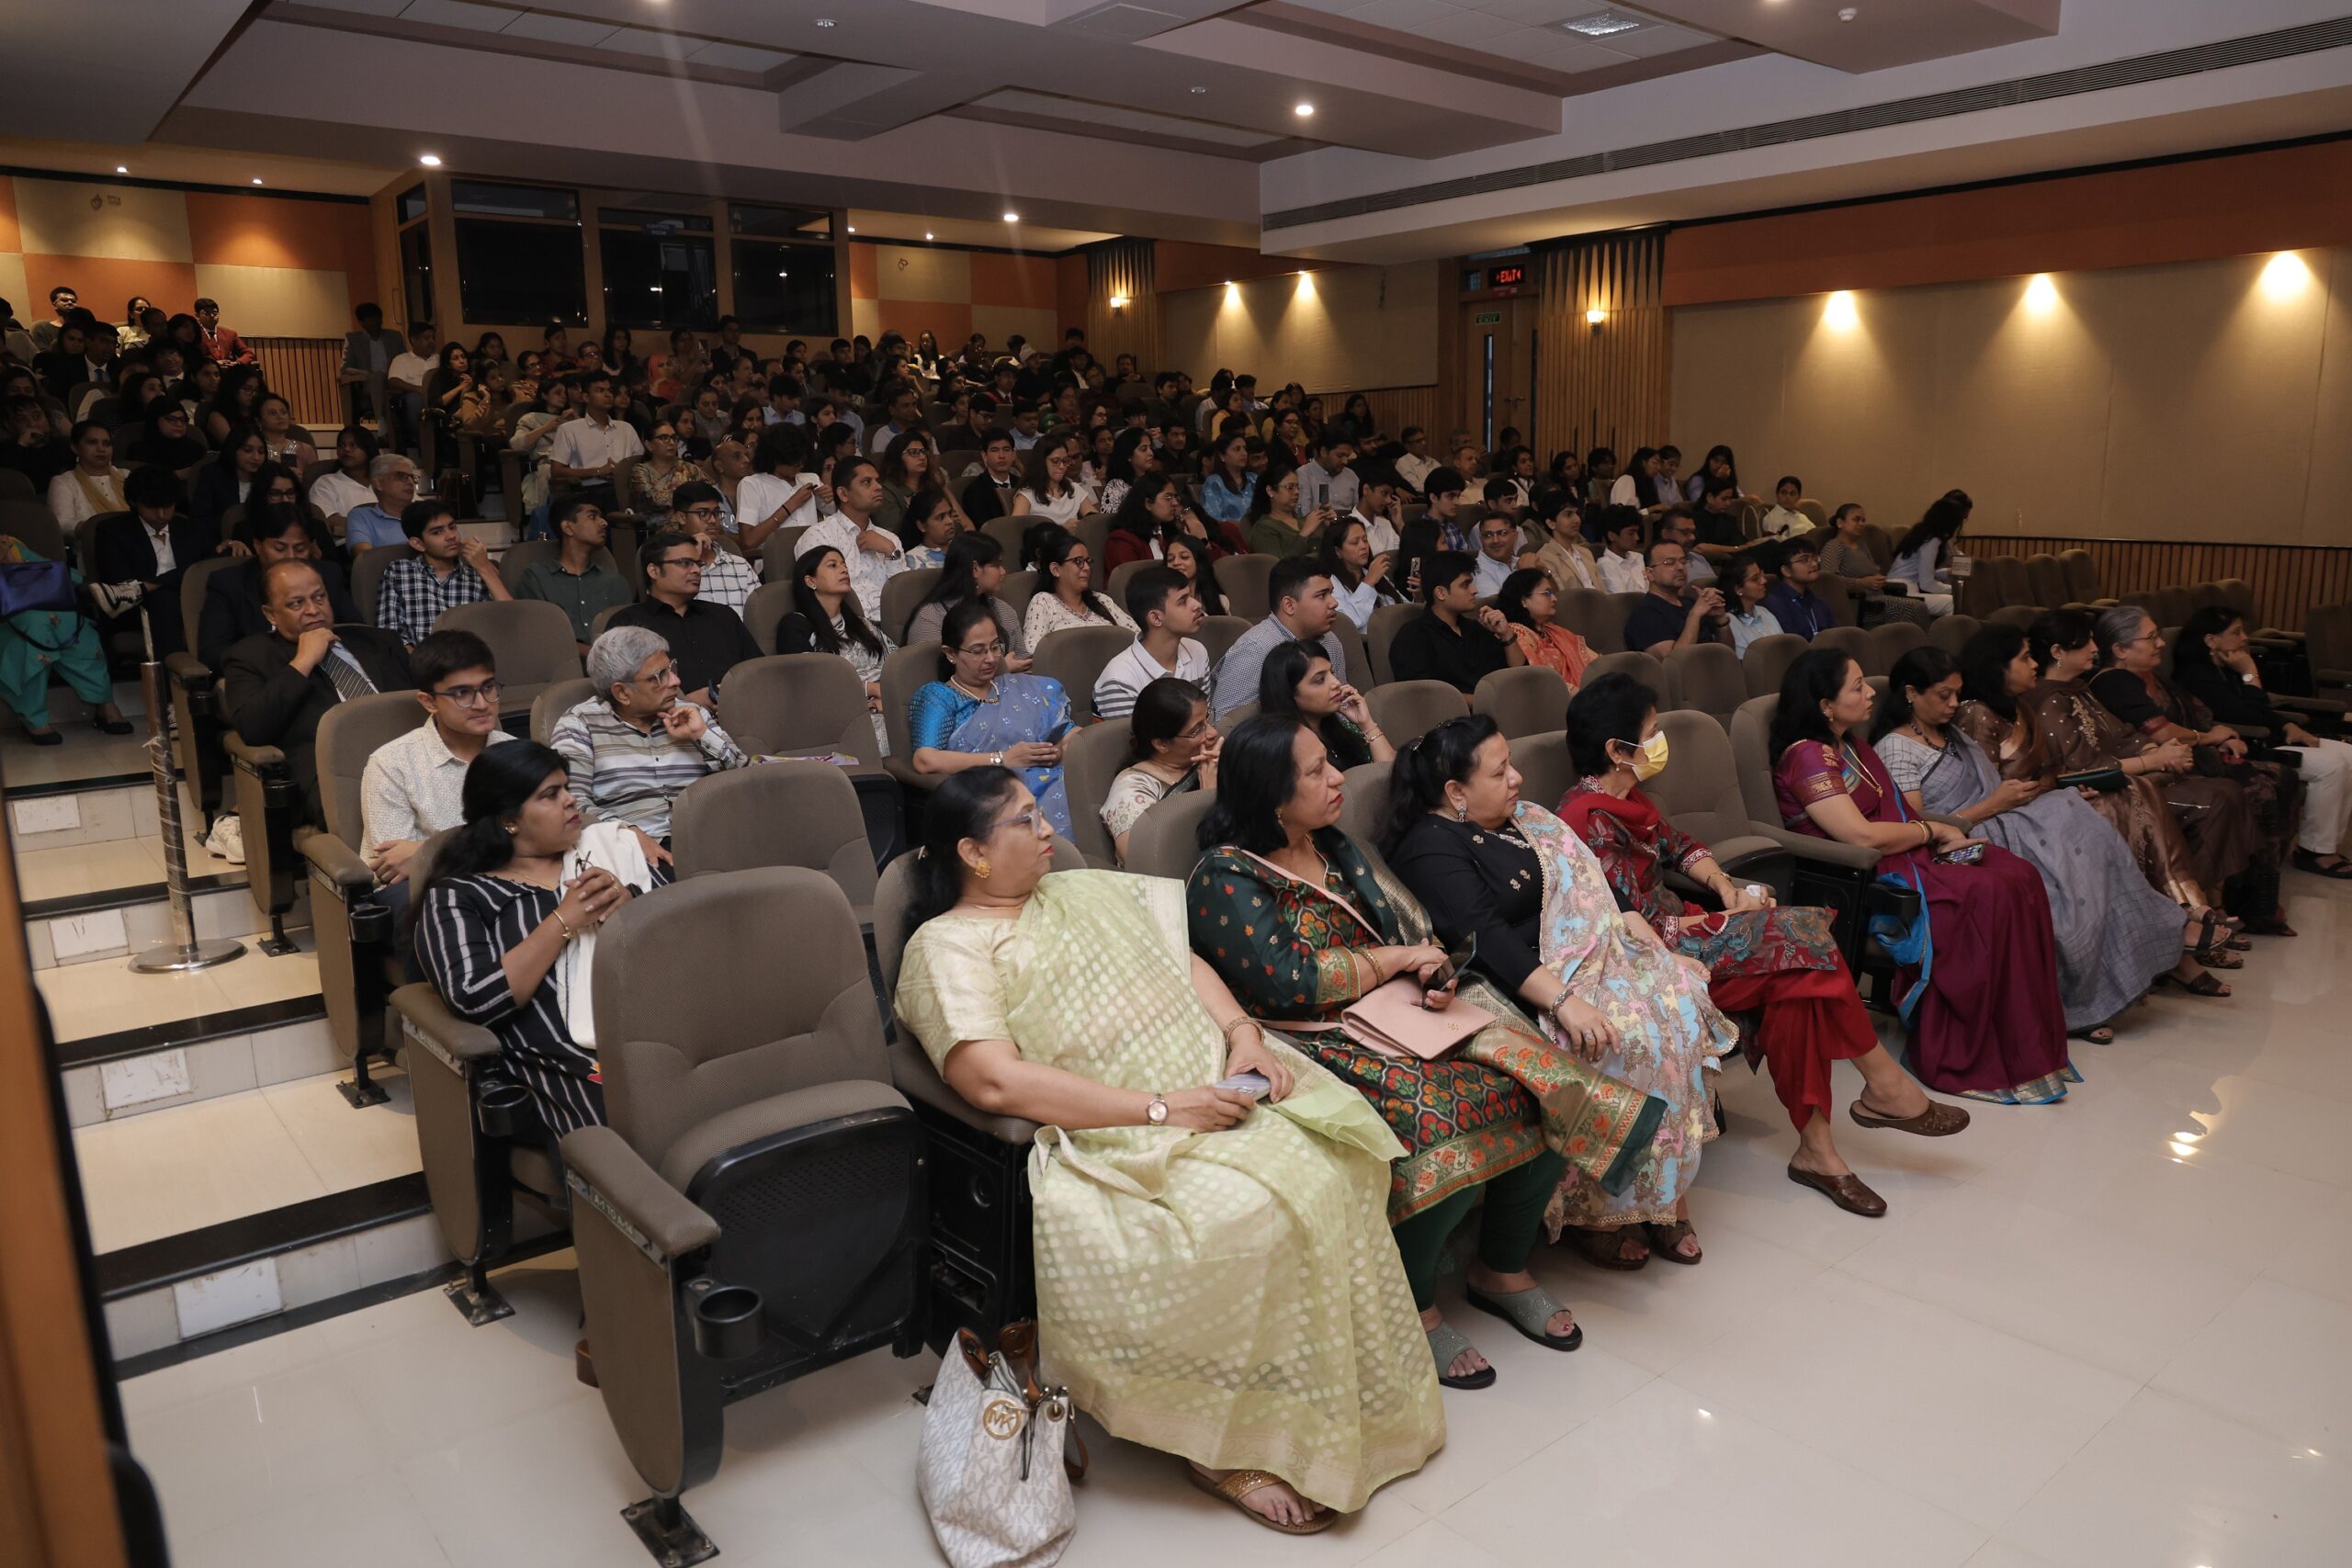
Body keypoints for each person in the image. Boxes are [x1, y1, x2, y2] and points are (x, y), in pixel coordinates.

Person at [895, 768, 1439, 1532]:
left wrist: (1244, 1036)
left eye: (1040, 813)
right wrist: (1162, 1109)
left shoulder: (1082, 890)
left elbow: (1182, 960)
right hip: (1115, 1133)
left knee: (1338, 1162)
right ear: (973, 852)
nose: (1049, 829)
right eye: (1025, 820)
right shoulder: (947, 944)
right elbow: (991, 1079)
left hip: (1209, 1090)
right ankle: (1219, 1441)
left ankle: (1320, 1399)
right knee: (1250, 1213)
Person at [1190, 716, 1674, 1384]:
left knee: (1546, 1082)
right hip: (1313, 1037)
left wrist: (1434, 972)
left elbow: (1413, 928)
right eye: (1316, 771)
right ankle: (1413, 1306)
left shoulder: (1335, 844)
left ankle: (1501, 1269)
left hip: (1401, 1013)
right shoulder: (1225, 875)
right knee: (1441, 1121)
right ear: (1271, 794)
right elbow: (1290, 982)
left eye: (1331, 761)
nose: (1338, 778)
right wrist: (1398, 960)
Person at [1546, 688, 1963, 1216]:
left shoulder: (1630, 797)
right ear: (1616, 749)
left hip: (1683, 928)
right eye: (1651, 733)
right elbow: (1631, 926)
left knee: (1798, 981)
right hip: (1648, 957)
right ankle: (1879, 1092)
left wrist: (1725, 887)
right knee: (1805, 940)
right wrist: (1725, 919)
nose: (1659, 742)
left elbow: (1680, 846)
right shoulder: (1585, 818)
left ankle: (1822, 1152)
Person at [1772, 648, 2075, 1103]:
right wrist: (1932, 831)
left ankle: (2025, 1047)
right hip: (1862, 876)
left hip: (1904, 853)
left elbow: (1892, 817)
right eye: (1857, 686)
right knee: (1987, 893)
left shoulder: (1850, 745)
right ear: (1825, 705)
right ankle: (1967, 1054)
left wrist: (1934, 836)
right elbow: (1858, 836)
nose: (1871, 693)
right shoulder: (1808, 757)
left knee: (2019, 876)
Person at [1883, 644, 2232, 1031]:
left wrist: (2023, 797)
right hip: (1957, 841)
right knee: (2063, 854)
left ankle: (2152, 938)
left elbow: (2004, 786)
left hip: (2001, 815)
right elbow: (1917, 826)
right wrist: (1995, 804)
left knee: (2078, 815)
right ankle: (2105, 976)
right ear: (1911, 693)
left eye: (1956, 694)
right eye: (1943, 695)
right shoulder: (1898, 747)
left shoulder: (1949, 735)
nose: (1953, 704)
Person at [417, 741, 671, 1138]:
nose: (571, 801)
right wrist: (563, 920)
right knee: (646, 1121)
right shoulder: (461, 895)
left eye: (566, 787)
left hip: (660, 1029)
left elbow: (689, 942)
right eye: (550, 795)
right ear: (509, 821)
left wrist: (630, 905)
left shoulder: (611, 850)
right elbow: (475, 999)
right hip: (562, 1056)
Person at [2018, 611, 2254, 923]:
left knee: (2227, 790)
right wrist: (2153, 760)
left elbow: (2123, 733)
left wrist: (2155, 750)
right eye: (2086, 642)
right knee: (2217, 798)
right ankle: (2190, 911)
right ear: (2058, 652)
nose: (2095, 648)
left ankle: (2207, 903)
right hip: (2104, 791)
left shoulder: (2079, 688)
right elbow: (2081, 768)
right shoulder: (2050, 701)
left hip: (2133, 775)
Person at [2089, 605, 2299, 933]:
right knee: (2258, 789)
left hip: (2197, 756)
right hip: (2164, 767)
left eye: (2159, 635)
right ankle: (2231, 905)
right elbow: (2162, 732)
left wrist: (2220, 735)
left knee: (2282, 777)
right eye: (2151, 637)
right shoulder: (2115, 681)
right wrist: (2211, 737)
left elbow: (2209, 714)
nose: (2161, 643)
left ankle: (2252, 899)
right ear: (2120, 649)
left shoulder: (2154, 677)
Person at [221, 561, 413, 827]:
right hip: (336, 772)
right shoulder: (250, 656)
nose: (313, 610)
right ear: (271, 614)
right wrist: (302, 663)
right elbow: (252, 728)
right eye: (296, 604)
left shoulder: (379, 641)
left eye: (319, 597)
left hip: (411, 756)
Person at [2174, 604, 2352, 878]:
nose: (2245, 638)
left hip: (2268, 735)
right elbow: (2248, 714)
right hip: (2246, 744)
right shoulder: (2198, 675)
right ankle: (2316, 852)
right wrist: (2250, 671)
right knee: (2332, 766)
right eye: (2236, 632)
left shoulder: (2226, 667)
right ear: (2211, 640)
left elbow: (2260, 708)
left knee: (2348, 753)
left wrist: (2287, 724)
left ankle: (2325, 843)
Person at [359, 628, 515, 925]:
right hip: (425, 892)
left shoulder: (515, 753)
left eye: (488, 687)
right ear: (429, 701)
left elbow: (536, 839)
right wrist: (502, 842)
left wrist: (428, 851)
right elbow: (396, 867)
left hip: (508, 878)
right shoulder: (391, 763)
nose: (482, 703)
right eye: (462, 693)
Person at [548, 626, 749, 852]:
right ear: (622, 692)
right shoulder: (579, 724)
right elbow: (570, 802)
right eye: (659, 676)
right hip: (629, 851)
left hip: (711, 838)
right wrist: (625, 832)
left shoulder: (691, 713)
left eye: (671, 668)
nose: (676, 681)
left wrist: (702, 736)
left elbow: (744, 779)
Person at [910, 599, 1074, 832]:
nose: (990, 658)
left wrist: (1059, 751)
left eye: (995, 647)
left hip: (1054, 778)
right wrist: (1003, 759)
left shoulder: (1023, 688)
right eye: (978, 651)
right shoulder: (941, 696)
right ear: (951, 654)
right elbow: (925, 760)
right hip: (993, 796)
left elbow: (1072, 734)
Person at [91, 465, 237, 660]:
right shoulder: (112, 531)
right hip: (138, 609)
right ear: (134, 502)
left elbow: (207, 568)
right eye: (152, 507)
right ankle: (175, 672)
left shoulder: (189, 528)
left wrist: (152, 584)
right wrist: (170, 583)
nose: (161, 515)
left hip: (188, 601)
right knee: (164, 600)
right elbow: (121, 583)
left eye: (168, 506)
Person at [0, 525, 130, 743]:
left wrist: (18, 563)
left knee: (71, 622)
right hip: (7, 619)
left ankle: (104, 703)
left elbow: (58, 574)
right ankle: (34, 718)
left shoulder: (9, 544)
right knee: (34, 627)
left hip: (38, 608)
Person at [607, 530, 762, 708]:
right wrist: (684, 703)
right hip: (664, 721)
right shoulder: (627, 625)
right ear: (654, 571)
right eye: (685, 563)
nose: (696, 570)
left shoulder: (723, 616)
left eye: (697, 563)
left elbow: (758, 673)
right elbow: (620, 694)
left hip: (740, 715)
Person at [198, 501, 359, 669]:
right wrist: (296, 660)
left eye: (300, 549)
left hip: (329, 667)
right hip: (261, 673)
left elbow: (357, 632)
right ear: (258, 546)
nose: (291, 556)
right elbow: (213, 652)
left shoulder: (328, 574)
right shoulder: (229, 583)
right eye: (280, 549)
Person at [775, 544, 894, 754]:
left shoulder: (861, 624)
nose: (844, 569)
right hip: (841, 716)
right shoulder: (795, 625)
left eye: (844, 564)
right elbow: (808, 685)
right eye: (833, 565)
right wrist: (871, 690)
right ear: (810, 581)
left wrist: (891, 697)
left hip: (888, 700)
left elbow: (896, 662)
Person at [1208, 554, 1347, 719]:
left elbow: (1341, 709)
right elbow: (1226, 725)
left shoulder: (1330, 641)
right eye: (1321, 595)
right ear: (1289, 605)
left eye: (1331, 593)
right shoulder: (1255, 649)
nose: (1334, 603)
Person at [1099, 678, 1219, 863]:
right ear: (1161, 744)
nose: (1212, 733)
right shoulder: (1132, 790)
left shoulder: (1210, 763)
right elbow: (1144, 862)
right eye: (1197, 730)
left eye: (1208, 719)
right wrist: (1207, 798)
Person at [376, 499, 511, 650]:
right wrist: (418, 662)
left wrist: (484, 566)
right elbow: (390, 632)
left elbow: (512, 620)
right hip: (420, 660)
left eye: (452, 527)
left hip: (474, 659)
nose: (451, 536)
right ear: (418, 544)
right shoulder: (399, 572)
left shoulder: (476, 574)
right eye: (437, 532)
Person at [1388, 549, 1522, 693]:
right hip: (1452, 707)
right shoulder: (1413, 635)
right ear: (1441, 593)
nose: (1474, 590)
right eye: (1465, 585)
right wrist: (1483, 700)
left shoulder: (1477, 629)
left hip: (1495, 702)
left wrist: (1506, 634)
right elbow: (1422, 694)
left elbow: (1518, 675)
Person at [1091, 565, 1208, 721]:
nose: (1197, 605)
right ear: (1156, 618)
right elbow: (1131, 737)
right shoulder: (1119, 680)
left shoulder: (1198, 652)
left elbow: (1205, 721)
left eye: (1191, 596)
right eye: (1183, 601)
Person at [513, 494, 628, 649]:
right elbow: (539, 635)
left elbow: (629, 636)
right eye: (592, 517)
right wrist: (592, 654)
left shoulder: (614, 581)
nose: (604, 523)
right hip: (557, 662)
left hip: (614, 662)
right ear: (568, 528)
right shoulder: (537, 577)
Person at [800, 456, 906, 625]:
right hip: (847, 627)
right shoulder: (820, 535)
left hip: (893, 625)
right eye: (866, 482)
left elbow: (903, 597)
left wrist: (890, 552)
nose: (879, 487)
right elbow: (818, 597)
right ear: (843, 494)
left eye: (878, 481)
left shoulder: (890, 540)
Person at [1258, 639, 1393, 769]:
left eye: (1332, 673)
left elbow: (1391, 775)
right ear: (1289, 693)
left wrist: (1367, 724)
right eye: (1320, 680)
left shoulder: (1342, 731)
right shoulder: (1285, 752)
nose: (1336, 683)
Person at [904, 531, 1029, 664]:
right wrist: (1003, 669)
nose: (1003, 572)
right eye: (996, 565)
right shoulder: (930, 617)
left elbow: (1023, 661)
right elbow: (927, 672)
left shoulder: (1003, 610)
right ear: (975, 569)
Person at [1819, 502, 1934, 627]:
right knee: (1914, 608)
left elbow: (1872, 570)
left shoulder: (1861, 545)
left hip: (1878, 597)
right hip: (1859, 604)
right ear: (1840, 523)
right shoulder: (1833, 548)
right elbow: (1829, 583)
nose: (1861, 524)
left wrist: (1878, 578)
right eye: (1856, 519)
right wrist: (1860, 583)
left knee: (1919, 606)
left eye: (1863, 520)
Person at [547, 370, 643, 516]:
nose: (608, 395)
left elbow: (641, 462)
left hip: (626, 489)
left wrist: (621, 472)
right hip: (589, 491)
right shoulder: (569, 429)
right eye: (600, 391)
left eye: (609, 390)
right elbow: (556, 471)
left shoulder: (626, 428)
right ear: (586, 397)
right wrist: (597, 472)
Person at [1022, 525, 1135, 645]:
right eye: (1078, 561)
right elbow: (1032, 649)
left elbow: (1137, 635)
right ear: (1056, 569)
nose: (1086, 568)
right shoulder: (1043, 602)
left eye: (1087, 561)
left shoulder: (1102, 600)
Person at [1623, 539, 1727, 659]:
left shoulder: (1691, 603)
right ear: (1650, 574)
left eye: (1683, 561)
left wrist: (1721, 620)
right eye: (1670, 563)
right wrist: (1694, 615)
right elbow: (1672, 662)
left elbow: (1728, 655)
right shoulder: (1645, 614)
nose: (1680, 567)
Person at [1495, 568, 1594, 689]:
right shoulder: (1517, 632)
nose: (1554, 598)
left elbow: (1595, 664)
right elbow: (1539, 680)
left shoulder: (1552, 631)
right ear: (1524, 601)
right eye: (1547, 593)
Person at [731, 423, 820, 558]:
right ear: (775, 459)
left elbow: (838, 513)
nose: (800, 465)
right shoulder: (752, 484)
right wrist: (790, 505)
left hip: (815, 558)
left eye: (802, 458)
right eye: (794, 461)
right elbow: (749, 541)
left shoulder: (811, 478)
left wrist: (830, 497)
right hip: (773, 560)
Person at [1887, 492, 1965, 615]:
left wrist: (1944, 573)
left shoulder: (1922, 533)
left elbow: (1919, 573)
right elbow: (1927, 584)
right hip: (1903, 591)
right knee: (1953, 603)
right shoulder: (1932, 540)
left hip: (1898, 586)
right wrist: (1957, 590)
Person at [188, 423, 271, 538]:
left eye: (261, 452)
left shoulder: (269, 478)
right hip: (220, 540)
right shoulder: (212, 476)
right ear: (233, 449)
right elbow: (200, 520)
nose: (256, 457)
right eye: (248, 450)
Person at [46, 419, 128, 532]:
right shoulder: (64, 482)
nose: (101, 449)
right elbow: (60, 524)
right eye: (92, 442)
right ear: (75, 447)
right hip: (91, 541)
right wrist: (96, 529)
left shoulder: (127, 476)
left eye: (106, 444)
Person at [1240, 466, 1332, 558]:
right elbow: (1278, 565)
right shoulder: (1263, 529)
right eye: (1290, 487)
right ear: (1270, 491)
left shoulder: (1303, 520)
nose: (1297, 492)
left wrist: (1326, 525)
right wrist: (1304, 534)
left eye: (1298, 487)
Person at [1759, 535, 1838, 641]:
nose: (1814, 564)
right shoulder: (1775, 604)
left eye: (1814, 558)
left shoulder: (1815, 600)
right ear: (1786, 571)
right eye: (1804, 560)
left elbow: (1834, 635)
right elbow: (1790, 644)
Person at [629, 416, 704, 522]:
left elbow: (710, 491)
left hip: (691, 522)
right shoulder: (640, 471)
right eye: (664, 438)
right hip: (656, 526)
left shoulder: (689, 468)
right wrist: (690, 500)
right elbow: (655, 501)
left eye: (674, 438)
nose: (672, 442)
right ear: (649, 445)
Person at [343, 454, 423, 552]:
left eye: (412, 477)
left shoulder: (426, 511)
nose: (410, 482)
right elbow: (363, 556)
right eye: (402, 476)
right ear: (379, 483)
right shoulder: (361, 516)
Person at [1722, 549, 1786, 656]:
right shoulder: (1729, 621)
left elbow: (1784, 647)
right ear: (1738, 589)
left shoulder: (1764, 612)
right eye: (1755, 579)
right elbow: (1742, 660)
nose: (1764, 581)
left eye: (1762, 575)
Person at [957, 429, 1023, 525]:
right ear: (985, 456)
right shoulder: (974, 491)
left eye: (1006, 449)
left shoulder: (1022, 485)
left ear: (1014, 455)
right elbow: (984, 527)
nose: (1002, 456)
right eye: (995, 450)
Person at [1199, 431, 1257, 524]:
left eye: (1245, 448)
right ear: (1222, 456)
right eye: (1237, 449)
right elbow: (1214, 519)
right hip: (1231, 531)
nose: (1244, 453)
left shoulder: (1254, 479)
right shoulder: (1214, 483)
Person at [1591, 506, 1648, 594]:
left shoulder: (1639, 557)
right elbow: (1621, 598)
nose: (1637, 538)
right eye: (1631, 533)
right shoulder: (1605, 564)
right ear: (1612, 536)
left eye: (1637, 532)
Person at [1758, 476, 1808, 541]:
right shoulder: (1771, 519)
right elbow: (1775, 544)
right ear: (1777, 494)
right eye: (1784, 493)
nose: (1788, 497)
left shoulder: (1802, 516)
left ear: (1799, 497)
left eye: (1792, 494)